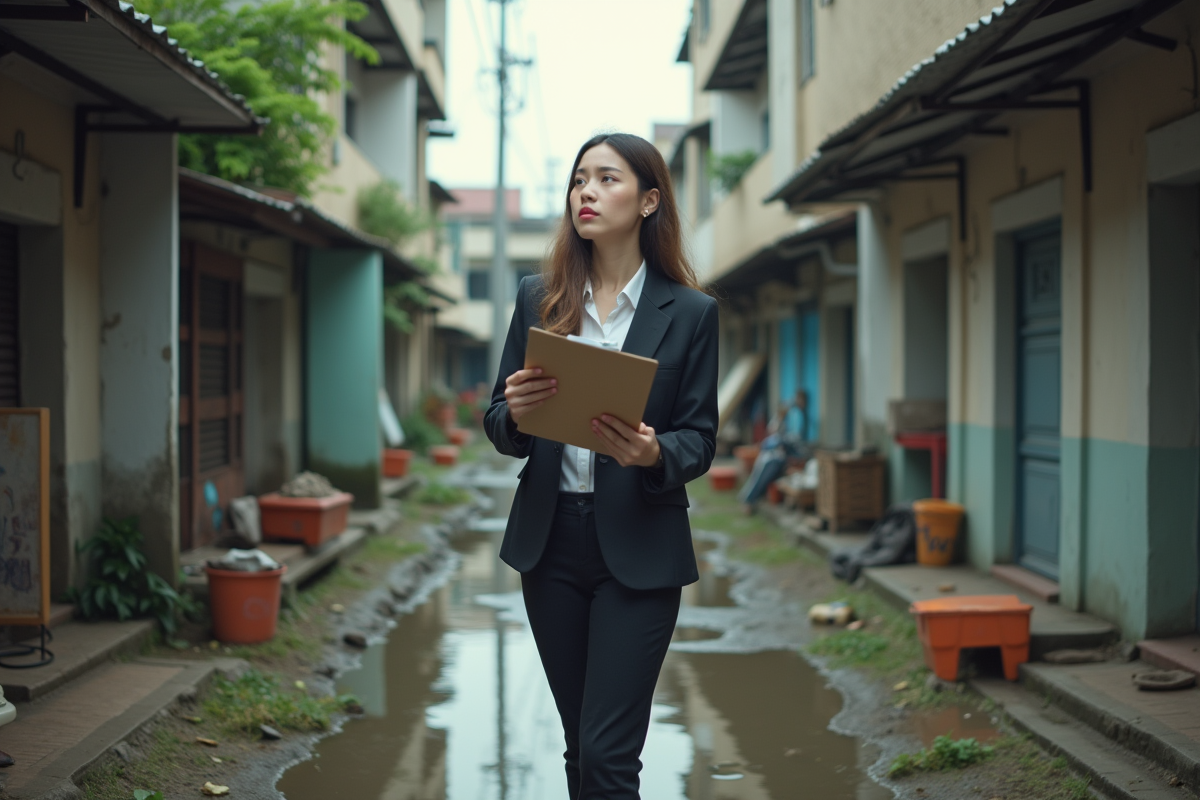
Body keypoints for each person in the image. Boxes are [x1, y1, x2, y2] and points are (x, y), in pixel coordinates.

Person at [484, 132, 719, 800]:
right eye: (579, 179)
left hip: (641, 549)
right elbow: (498, 422)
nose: (586, 192)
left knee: (609, 755)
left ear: (649, 201)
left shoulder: (691, 312)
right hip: (550, 544)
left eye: (607, 178)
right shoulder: (539, 298)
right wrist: (516, 413)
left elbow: (700, 438)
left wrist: (653, 452)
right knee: (579, 748)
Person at [738, 388, 810, 513]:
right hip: (778, 452)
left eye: (800, 400)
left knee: (769, 465)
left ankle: (750, 500)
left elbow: (797, 443)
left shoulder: (802, 416)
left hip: (787, 455)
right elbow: (774, 431)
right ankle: (749, 498)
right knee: (762, 465)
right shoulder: (790, 414)